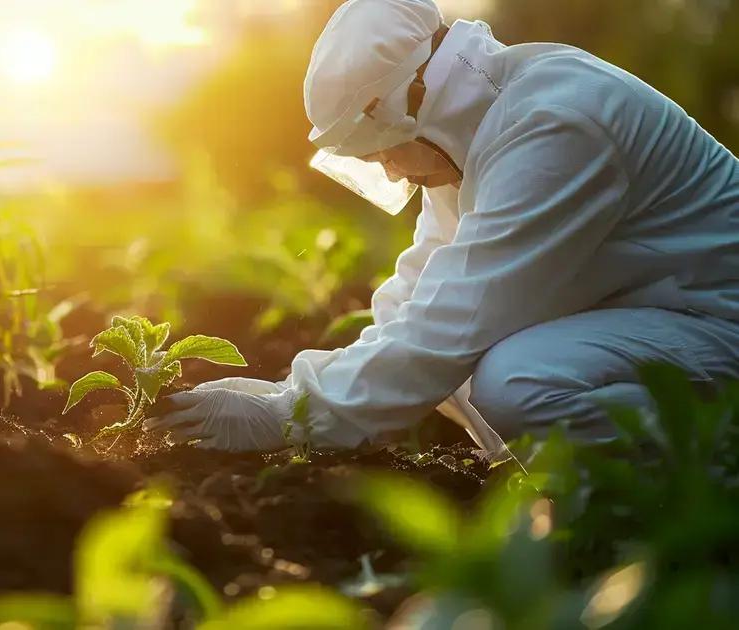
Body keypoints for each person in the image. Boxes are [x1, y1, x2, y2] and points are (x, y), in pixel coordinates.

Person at [146, 0, 739, 455]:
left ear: (412, 105)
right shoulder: (478, 129)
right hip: (668, 312)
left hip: (719, 320)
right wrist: (292, 393)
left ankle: (701, 489)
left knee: (518, 381)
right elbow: (425, 289)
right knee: (454, 372)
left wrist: (295, 419)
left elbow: (456, 320)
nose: (387, 167)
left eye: (383, 151)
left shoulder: (554, 127)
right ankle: (574, 486)